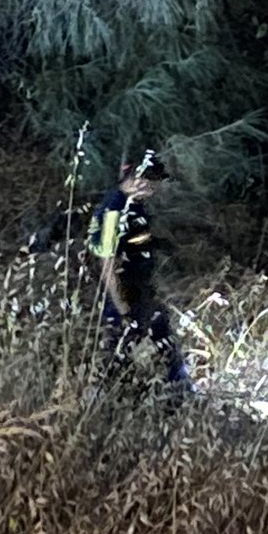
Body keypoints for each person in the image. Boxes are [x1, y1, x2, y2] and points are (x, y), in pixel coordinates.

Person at [90, 150, 194, 394]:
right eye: (151, 183)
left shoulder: (136, 207)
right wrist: (124, 311)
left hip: (143, 293)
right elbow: (107, 265)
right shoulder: (113, 212)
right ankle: (104, 403)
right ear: (137, 179)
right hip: (120, 301)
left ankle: (181, 392)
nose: (154, 190)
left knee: (165, 341)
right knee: (118, 357)